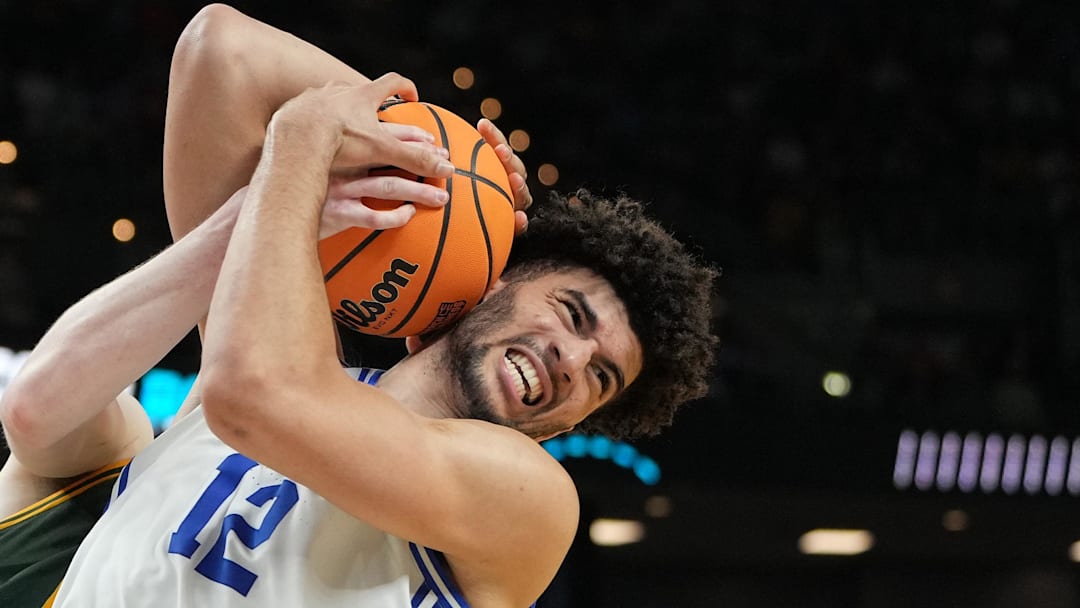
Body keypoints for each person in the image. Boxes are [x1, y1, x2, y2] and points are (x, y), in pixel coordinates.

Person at [14, 4, 716, 607]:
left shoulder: (529, 500)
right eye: (572, 313)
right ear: (494, 281)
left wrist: (309, 142)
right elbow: (222, 49)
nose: (574, 360)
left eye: (602, 379)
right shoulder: (272, 350)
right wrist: (432, 157)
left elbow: (254, 394)